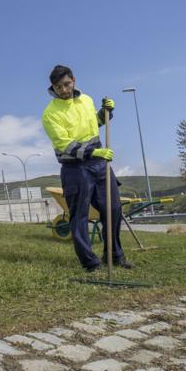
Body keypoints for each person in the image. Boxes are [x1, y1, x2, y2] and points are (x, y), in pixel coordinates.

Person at [42, 65, 132, 272]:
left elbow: (96, 123)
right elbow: (64, 144)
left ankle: (115, 255)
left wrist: (106, 112)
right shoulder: (50, 114)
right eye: (58, 87)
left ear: (73, 80)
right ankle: (90, 263)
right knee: (79, 215)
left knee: (113, 208)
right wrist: (93, 153)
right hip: (75, 168)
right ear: (52, 88)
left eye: (66, 84)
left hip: (99, 164)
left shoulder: (87, 100)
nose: (63, 90)